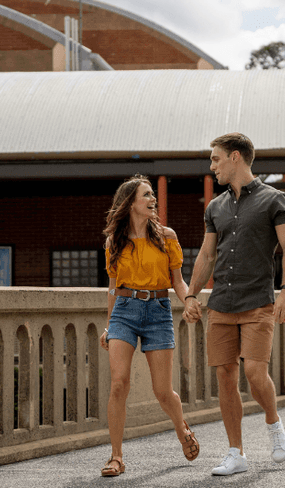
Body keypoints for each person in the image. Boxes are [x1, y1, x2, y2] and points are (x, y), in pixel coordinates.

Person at [182, 133, 285, 476]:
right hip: (221, 304)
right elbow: (207, 255)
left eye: (216, 159)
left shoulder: (274, 199)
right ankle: (236, 453)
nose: (212, 166)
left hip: (257, 303)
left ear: (235, 157)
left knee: (254, 372)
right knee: (225, 376)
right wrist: (192, 294)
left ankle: (273, 422)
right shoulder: (215, 207)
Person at [99, 175, 199, 477]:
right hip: (124, 312)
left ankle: (181, 429)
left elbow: (177, 281)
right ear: (131, 202)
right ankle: (116, 457)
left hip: (158, 311)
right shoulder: (114, 241)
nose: (152, 199)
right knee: (119, 384)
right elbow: (113, 287)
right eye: (146, 195)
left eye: (153, 194)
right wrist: (108, 325)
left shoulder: (166, 236)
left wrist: (189, 301)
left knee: (162, 392)